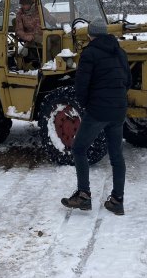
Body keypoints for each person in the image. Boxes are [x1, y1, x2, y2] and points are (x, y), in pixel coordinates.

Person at [61, 19, 132, 215]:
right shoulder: (120, 52)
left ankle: (83, 195)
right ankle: (117, 201)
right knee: (116, 155)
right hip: (118, 111)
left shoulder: (89, 53)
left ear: (90, 35)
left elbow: (81, 85)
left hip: (98, 110)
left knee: (79, 148)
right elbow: (128, 81)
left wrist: (86, 106)